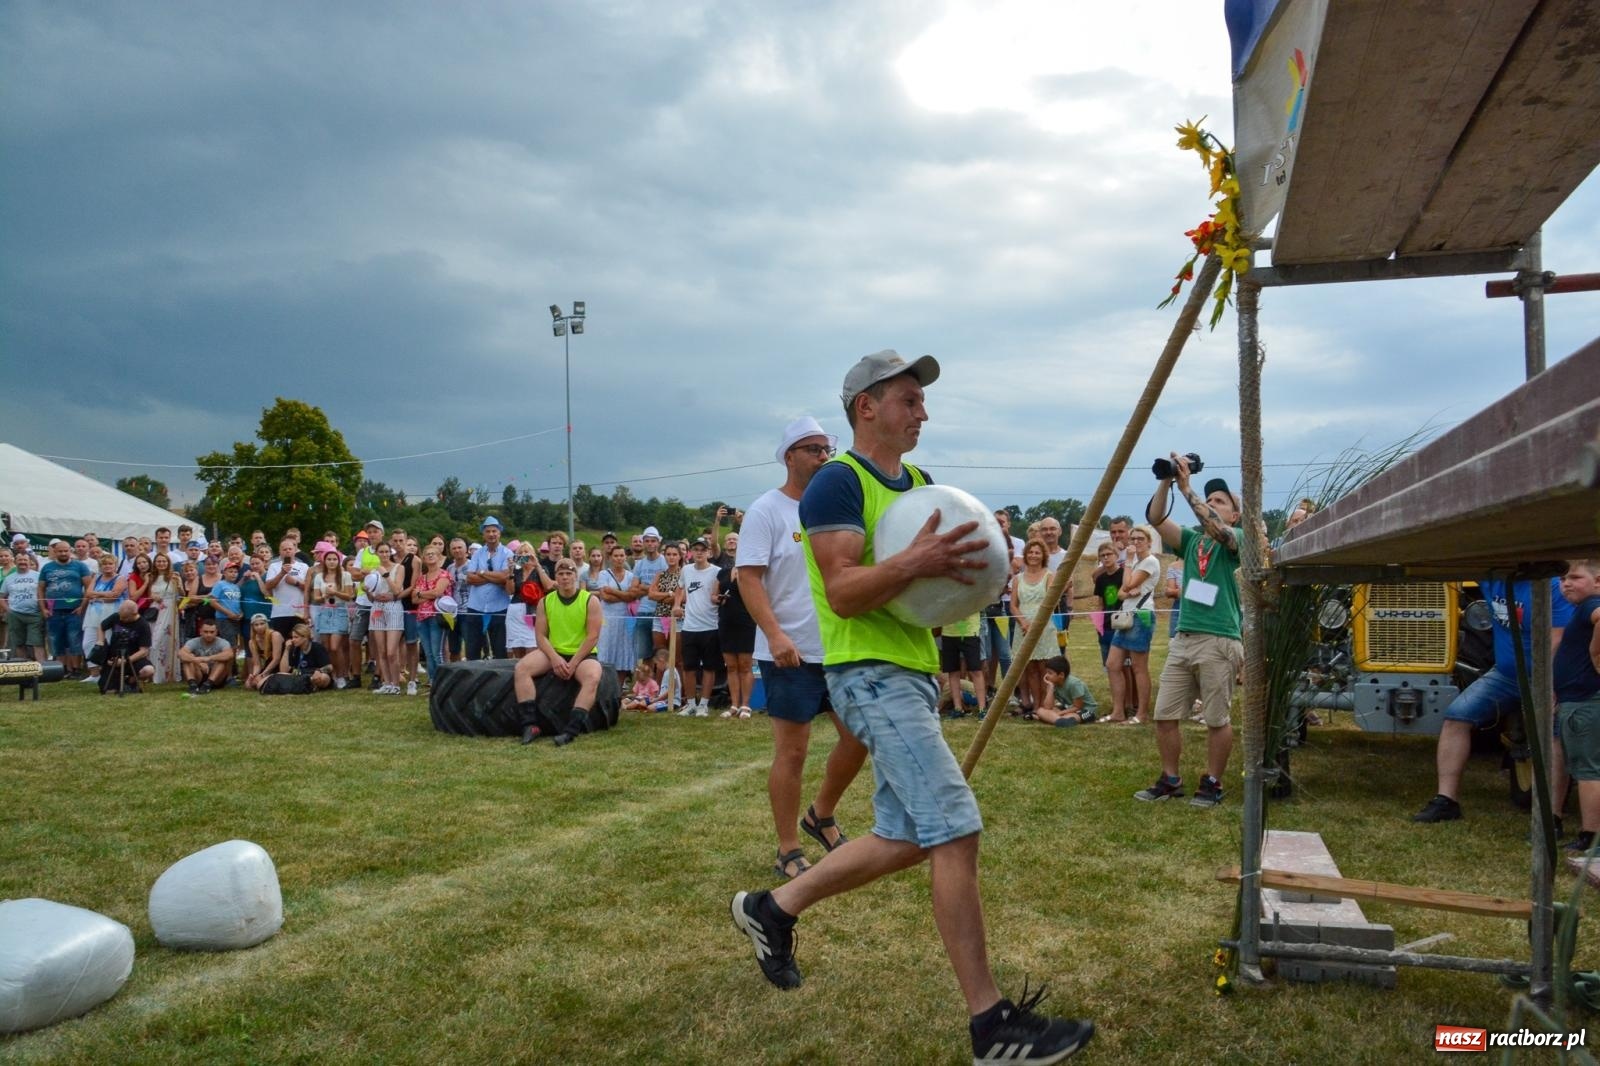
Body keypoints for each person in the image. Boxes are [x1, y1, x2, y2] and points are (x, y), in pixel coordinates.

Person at [730, 351, 1093, 1063]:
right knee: (955, 828)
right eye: (907, 399)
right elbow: (842, 589)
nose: (922, 412)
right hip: (869, 677)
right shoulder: (837, 482)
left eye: (922, 402)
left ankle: (772, 909)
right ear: (866, 406)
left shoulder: (921, 485)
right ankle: (992, 1026)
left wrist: (971, 578)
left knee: (905, 836)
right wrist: (918, 565)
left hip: (913, 673)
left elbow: (924, 595)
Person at [737, 414, 870, 880]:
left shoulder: (834, 508)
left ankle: (821, 813)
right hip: (789, 651)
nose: (822, 456)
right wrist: (775, 634)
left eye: (825, 448)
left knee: (859, 738)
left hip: (838, 647)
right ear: (789, 455)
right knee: (792, 752)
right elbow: (748, 578)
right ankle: (788, 847)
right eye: (813, 449)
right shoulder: (767, 510)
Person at [1412, 576, 1572, 822]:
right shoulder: (1491, 579)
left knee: (1553, 736)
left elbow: (1558, 639)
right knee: (1456, 717)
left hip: (1546, 676)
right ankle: (1446, 801)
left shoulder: (1550, 586)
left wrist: (1549, 684)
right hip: (1505, 674)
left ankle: (1552, 818)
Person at [1139, 458, 1245, 807]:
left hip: (1219, 639)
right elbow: (1155, 519)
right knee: (1164, 715)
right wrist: (1167, 482)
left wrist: (1189, 490)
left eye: (1221, 501)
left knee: (1216, 717)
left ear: (1234, 514)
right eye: (1209, 499)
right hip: (1184, 638)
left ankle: (1212, 782)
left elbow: (1221, 532)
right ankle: (1171, 779)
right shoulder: (1191, 541)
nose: (1212, 503)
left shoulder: (1238, 539)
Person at [512, 558, 604, 746]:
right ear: (556, 577)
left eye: (568, 574)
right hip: (553, 652)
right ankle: (529, 725)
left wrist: (574, 663)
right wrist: (554, 659)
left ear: (575, 576)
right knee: (521, 668)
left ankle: (572, 729)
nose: (564, 578)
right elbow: (540, 636)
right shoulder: (545, 602)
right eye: (561, 574)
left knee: (593, 676)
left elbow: (593, 636)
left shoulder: (590, 600)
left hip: (583, 654)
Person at [1555, 561, 1600, 852]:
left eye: (1574, 577)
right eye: (1562, 578)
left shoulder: (1591, 605)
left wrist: (1596, 652)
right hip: (1576, 700)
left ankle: (1591, 837)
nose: (1566, 583)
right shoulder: (1580, 609)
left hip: (1585, 702)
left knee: (1588, 770)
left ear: (1598, 581)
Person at [1111, 525, 1161, 725]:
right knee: (1112, 664)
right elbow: (1121, 593)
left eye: (1140, 538)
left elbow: (1127, 585)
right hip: (1127, 614)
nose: (1136, 542)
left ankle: (1141, 714)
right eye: (1133, 539)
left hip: (1141, 615)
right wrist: (1127, 587)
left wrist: (1129, 563)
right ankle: (1118, 712)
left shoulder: (1149, 562)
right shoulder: (1138, 562)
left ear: (1149, 542)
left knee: (1139, 667)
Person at [1010, 540, 1059, 715]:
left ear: (1043, 556)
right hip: (1022, 627)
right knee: (1030, 667)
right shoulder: (1017, 579)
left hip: (1043, 626)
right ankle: (1036, 705)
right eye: (1030, 552)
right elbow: (1013, 605)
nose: (1033, 555)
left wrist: (1036, 624)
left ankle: (1046, 705)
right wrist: (1023, 622)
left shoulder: (1049, 575)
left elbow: (1051, 602)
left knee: (1044, 668)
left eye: (1037, 552)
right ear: (1025, 555)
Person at [675, 538, 721, 716]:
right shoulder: (686, 570)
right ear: (691, 552)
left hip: (711, 626)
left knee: (709, 667)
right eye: (696, 549)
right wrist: (677, 605)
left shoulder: (716, 571)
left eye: (703, 550)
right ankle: (691, 703)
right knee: (689, 667)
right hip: (690, 627)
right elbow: (680, 588)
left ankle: (704, 704)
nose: (699, 553)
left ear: (709, 552)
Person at [39, 539, 93, 678]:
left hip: (74, 610)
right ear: (55, 552)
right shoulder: (47, 567)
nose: (63, 553)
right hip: (53, 610)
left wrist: (83, 606)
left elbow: (89, 588)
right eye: (60, 551)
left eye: (66, 550)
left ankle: (75, 670)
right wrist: (43, 608)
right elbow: (40, 589)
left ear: (70, 551)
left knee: (74, 639)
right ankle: (60, 670)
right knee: (56, 640)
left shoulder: (80, 566)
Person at [716, 542, 757, 718]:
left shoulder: (751, 573)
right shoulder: (723, 572)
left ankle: (745, 705)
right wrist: (718, 598)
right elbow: (714, 594)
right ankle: (734, 705)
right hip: (726, 621)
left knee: (745, 665)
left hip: (746, 621)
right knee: (731, 666)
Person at [463, 516, 513, 660]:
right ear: (483, 534)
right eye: (488, 531)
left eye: (494, 531)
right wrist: (495, 578)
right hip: (475, 607)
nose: (491, 534)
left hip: (499, 607)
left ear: (500, 533)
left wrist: (482, 573)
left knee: (500, 650)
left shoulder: (508, 553)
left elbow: (505, 577)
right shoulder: (478, 553)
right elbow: (470, 578)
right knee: (472, 650)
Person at [366, 542, 406, 694]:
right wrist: (369, 592)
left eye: (386, 551)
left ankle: (396, 684)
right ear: (376, 553)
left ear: (391, 552)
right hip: (377, 608)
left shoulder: (399, 568)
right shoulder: (373, 571)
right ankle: (387, 683)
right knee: (381, 652)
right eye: (381, 552)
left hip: (394, 607)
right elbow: (371, 596)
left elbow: (396, 590)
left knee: (391, 651)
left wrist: (386, 575)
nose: (384, 554)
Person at [80, 554, 127, 684]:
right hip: (93, 615)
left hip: (111, 614)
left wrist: (98, 596)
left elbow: (114, 596)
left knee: (109, 642)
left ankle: (108, 673)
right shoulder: (96, 577)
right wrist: (104, 594)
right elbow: (88, 593)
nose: (107, 566)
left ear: (115, 565)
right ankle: (94, 673)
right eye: (105, 564)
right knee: (88, 643)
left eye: (110, 564)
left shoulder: (121, 578)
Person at [595, 545, 640, 677]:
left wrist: (614, 591)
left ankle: (619, 692)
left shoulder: (631, 576)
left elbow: (632, 596)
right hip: (608, 619)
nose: (619, 558)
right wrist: (624, 595)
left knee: (623, 652)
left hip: (625, 619)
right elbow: (605, 597)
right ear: (610, 557)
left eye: (621, 555)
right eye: (616, 556)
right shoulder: (603, 574)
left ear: (625, 557)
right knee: (606, 651)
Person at [311, 548, 354, 688]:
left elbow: (349, 595)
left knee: (336, 646)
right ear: (324, 561)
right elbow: (316, 597)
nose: (331, 562)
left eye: (334, 559)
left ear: (339, 561)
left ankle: (342, 675)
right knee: (327, 646)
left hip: (339, 610)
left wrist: (335, 592)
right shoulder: (319, 577)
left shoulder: (345, 575)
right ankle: (332, 674)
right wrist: (324, 596)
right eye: (329, 559)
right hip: (324, 611)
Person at [412, 544, 453, 686]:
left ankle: (444, 682)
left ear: (438, 556)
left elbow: (438, 592)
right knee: (428, 653)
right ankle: (432, 680)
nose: (430, 556)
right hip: (421, 617)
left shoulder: (444, 574)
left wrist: (420, 593)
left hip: (437, 617)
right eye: (427, 554)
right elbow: (414, 599)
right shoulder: (422, 578)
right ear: (423, 558)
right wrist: (428, 594)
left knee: (438, 652)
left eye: (433, 553)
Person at [95, 601, 155, 692]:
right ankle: (115, 682)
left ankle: (130, 681)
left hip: (133, 659)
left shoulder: (143, 625)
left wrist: (125, 661)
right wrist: (100, 641)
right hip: (113, 658)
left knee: (149, 670)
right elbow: (101, 626)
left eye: (125, 618)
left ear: (134, 614)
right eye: (120, 616)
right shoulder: (116, 616)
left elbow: (144, 651)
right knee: (109, 691)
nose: (121, 619)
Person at [631, 527, 669, 664]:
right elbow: (633, 588)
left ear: (658, 543)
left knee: (662, 652)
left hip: (660, 612)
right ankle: (647, 684)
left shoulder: (664, 561)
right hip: (643, 612)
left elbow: (666, 587)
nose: (650, 544)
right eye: (647, 541)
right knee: (644, 654)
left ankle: (660, 684)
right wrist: (653, 590)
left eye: (653, 541)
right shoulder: (640, 564)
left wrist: (644, 587)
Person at [940, 608, 986, 718]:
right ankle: (958, 708)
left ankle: (982, 709)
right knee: (953, 671)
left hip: (970, 631)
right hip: (948, 632)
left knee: (975, 670)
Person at [1, 551, 45, 663]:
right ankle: (24, 668)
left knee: (37, 642)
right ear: (15, 562)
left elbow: (44, 593)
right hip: (15, 614)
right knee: (19, 643)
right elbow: (2, 596)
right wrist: (8, 610)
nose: (22, 562)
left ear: (30, 562)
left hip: (35, 614)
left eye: (25, 560)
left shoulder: (38, 576)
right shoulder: (9, 578)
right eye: (20, 560)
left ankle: (43, 668)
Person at [263, 539, 309, 642]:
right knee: (281, 643)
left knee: (300, 643)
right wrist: (282, 573)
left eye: (290, 549)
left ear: (295, 550)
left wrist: (296, 583)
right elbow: (268, 586)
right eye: (284, 549)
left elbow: (309, 588)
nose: (287, 551)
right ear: (280, 552)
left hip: (299, 612)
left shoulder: (303, 566)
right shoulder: (274, 566)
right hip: (280, 612)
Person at [1033, 655, 1098, 727]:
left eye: (1050, 673)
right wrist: (1050, 689)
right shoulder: (1053, 683)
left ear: (1061, 675)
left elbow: (1078, 707)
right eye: (1047, 672)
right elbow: (1048, 707)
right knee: (1040, 711)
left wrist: (1060, 713)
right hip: (1068, 708)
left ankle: (1054, 719)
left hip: (1086, 710)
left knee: (1070, 716)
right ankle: (1060, 721)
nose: (1047, 675)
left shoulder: (1074, 684)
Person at [179, 618, 235, 693]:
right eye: (206, 632)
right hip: (199, 674)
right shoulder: (193, 642)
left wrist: (208, 658)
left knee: (222, 659)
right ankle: (192, 685)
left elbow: (229, 654)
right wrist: (197, 661)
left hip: (217, 678)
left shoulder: (223, 642)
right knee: (188, 658)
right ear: (200, 632)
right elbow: (181, 653)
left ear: (216, 632)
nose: (209, 635)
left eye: (212, 632)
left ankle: (208, 685)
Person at [648, 542, 684, 656]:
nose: (671, 557)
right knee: (661, 656)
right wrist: (670, 594)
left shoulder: (685, 573)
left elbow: (685, 597)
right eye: (668, 554)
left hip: (679, 619)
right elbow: (651, 595)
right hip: (660, 617)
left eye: (674, 554)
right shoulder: (660, 574)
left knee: (677, 658)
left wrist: (661, 596)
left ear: (680, 556)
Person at [280, 622, 336, 690]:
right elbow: (283, 670)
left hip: (314, 674)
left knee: (323, 677)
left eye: (296, 637)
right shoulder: (294, 648)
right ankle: (308, 686)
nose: (293, 640)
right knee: (280, 675)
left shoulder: (317, 647)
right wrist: (286, 650)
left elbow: (329, 667)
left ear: (305, 637)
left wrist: (319, 671)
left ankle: (310, 685)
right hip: (300, 676)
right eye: (292, 637)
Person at [243, 614, 285, 692]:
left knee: (261, 682)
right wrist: (254, 675)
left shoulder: (275, 635)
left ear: (267, 624)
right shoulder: (252, 642)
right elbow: (257, 664)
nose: (259, 627)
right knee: (249, 685)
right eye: (256, 625)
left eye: (262, 624)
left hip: (282, 663)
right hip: (269, 665)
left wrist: (264, 673)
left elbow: (276, 659)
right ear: (252, 627)